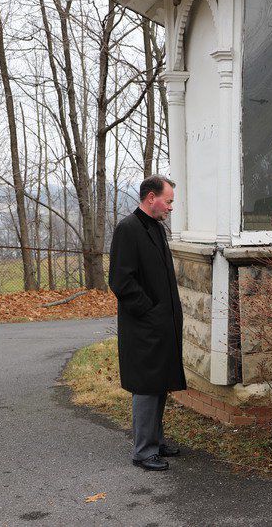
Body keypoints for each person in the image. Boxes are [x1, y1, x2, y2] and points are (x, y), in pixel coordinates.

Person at [108, 175, 186, 471]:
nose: (170, 207)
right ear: (151, 197)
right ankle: (143, 451)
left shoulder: (155, 227)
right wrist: (150, 312)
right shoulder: (128, 229)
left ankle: (156, 441)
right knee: (146, 387)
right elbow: (120, 281)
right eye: (168, 201)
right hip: (144, 326)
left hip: (161, 325)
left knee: (160, 383)